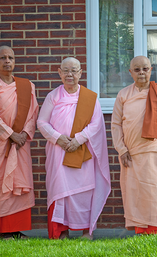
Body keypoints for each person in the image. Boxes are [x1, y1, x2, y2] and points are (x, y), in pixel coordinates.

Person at [37, 57, 110, 240]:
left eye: (74, 71)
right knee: (59, 190)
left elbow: (96, 124)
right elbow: (41, 122)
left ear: (80, 73)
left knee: (85, 191)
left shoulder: (90, 98)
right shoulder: (53, 96)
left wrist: (78, 139)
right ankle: (61, 231)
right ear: (59, 72)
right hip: (58, 152)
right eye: (66, 70)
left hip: (83, 152)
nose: (70, 74)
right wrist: (58, 138)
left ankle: (86, 231)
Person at [111, 56, 157, 235]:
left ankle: (153, 231)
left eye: (145, 69)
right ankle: (140, 231)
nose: (141, 72)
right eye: (137, 69)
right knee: (133, 193)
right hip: (130, 154)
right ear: (130, 72)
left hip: (153, 152)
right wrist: (122, 149)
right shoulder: (123, 95)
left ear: (151, 70)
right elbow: (116, 124)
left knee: (153, 192)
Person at [0, 46, 39, 239]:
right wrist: (11, 134)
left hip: (20, 143)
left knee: (19, 184)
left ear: (15, 61)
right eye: (2, 58)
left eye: (10, 57)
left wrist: (24, 134)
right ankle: (4, 231)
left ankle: (17, 230)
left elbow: (33, 113)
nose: (7, 61)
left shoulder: (27, 86)